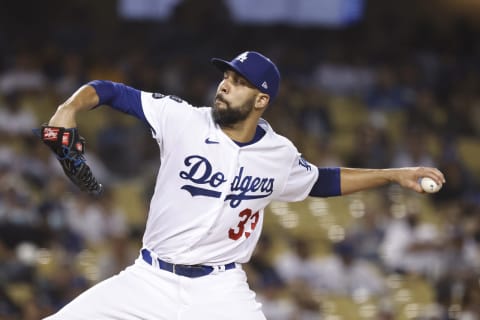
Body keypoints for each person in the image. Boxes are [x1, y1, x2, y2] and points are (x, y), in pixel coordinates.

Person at [42, 51, 445, 319]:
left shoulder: (279, 153)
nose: (224, 84)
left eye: (238, 81)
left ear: (261, 100)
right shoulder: (181, 119)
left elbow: (321, 180)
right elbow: (111, 92)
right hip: (149, 279)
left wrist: (393, 175)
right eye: (226, 76)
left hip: (219, 290)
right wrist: (69, 107)